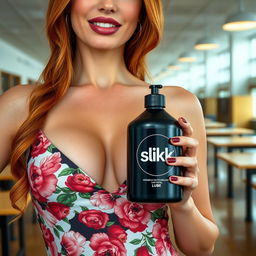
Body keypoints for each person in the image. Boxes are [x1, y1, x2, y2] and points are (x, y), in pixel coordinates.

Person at [0, 0, 219, 255]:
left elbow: (202, 247)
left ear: (142, 10)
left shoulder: (178, 104)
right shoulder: (22, 105)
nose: (107, 5)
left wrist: (183, 205)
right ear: (67, 5)